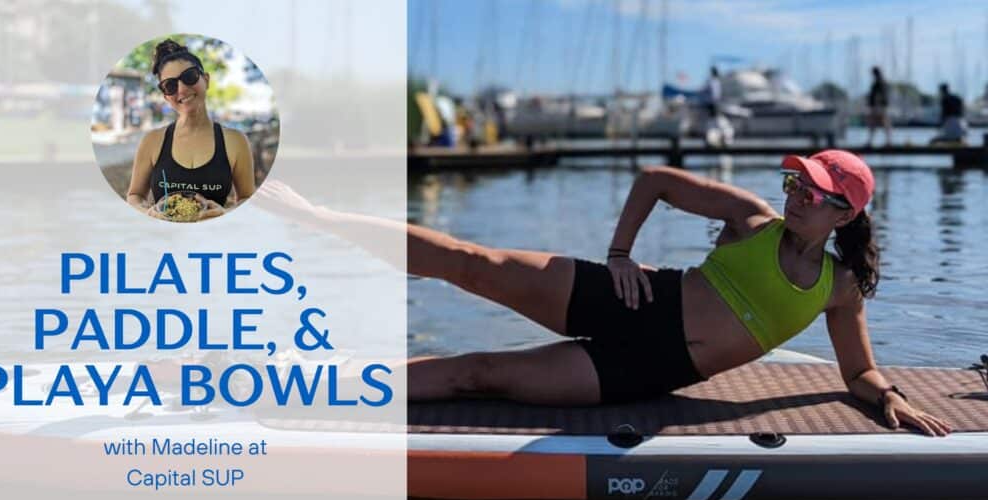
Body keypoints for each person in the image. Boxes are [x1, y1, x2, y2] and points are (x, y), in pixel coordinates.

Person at [252, 151, 953, 436]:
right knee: (471, 260)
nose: (799, 195)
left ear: (845, 213)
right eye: (797, 182)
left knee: (482, 374)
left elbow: (856, 371)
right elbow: (654, 178)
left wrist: (884, 395)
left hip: (645, 371)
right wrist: (619, 253)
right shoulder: (752, 220)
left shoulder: (839, 290)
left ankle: (322, 386)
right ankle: (320, 217)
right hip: (634, 297)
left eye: (817, 192)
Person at [126, 39, 256, 220]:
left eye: (189, 77)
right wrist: (149, 213)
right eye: (170, 86)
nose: (182, 89)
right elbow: (135, 197)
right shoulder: (152, 141)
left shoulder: (235, 141)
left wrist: (223, 214)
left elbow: (247, 199)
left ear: (206, 80)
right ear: (165, 96)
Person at [866, 67, 892, 146]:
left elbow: (878, 95)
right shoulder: (881, 82)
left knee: (877, 124)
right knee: (881, 124)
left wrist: (877, 106)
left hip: (878, 106)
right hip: (880, 106)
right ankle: (887, 141)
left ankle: (887, 141)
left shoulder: (879, 83)